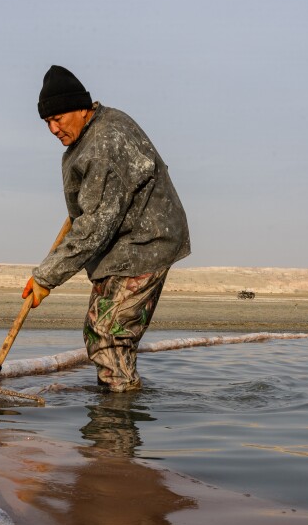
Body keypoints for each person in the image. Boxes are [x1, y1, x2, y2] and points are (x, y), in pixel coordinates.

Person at [23, 65, 191, 392]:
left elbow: (95, 228)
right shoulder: (91, 134)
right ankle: (116, 397)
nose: (53, 128)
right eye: (47, 122)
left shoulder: (103, 142)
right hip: (123, 245)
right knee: (99, 330)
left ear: (82, 108)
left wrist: (46, 277)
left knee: (108, 334)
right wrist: (48, 268)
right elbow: (89, 212)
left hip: (144, 244)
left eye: (58, 119)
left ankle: (116, 423)